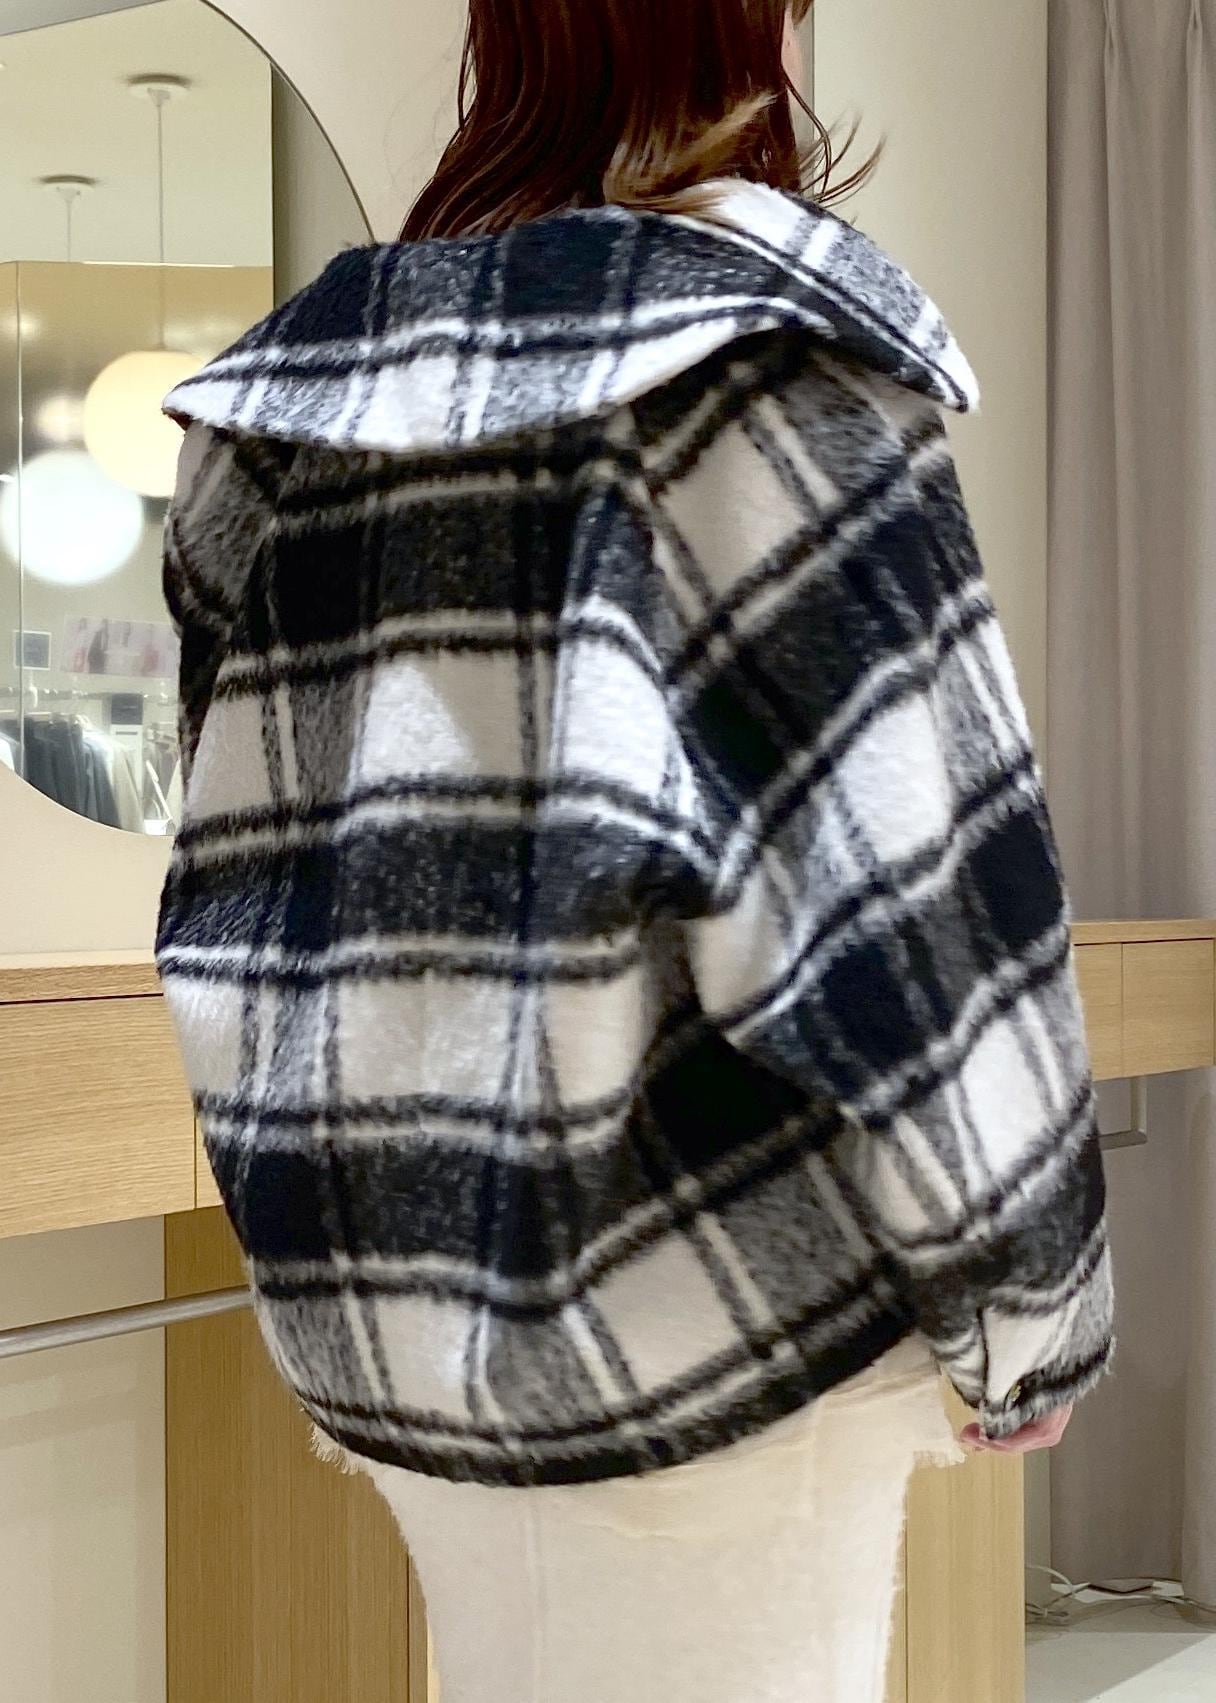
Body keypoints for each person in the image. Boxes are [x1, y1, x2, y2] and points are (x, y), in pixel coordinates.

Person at [156, 3, 1114, 1699]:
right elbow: (917, 924)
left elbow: (245, 865)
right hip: (726, 1345)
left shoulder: (291, 416)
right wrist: (1030, 1321)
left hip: (407, 1340)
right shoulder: (761, 370)